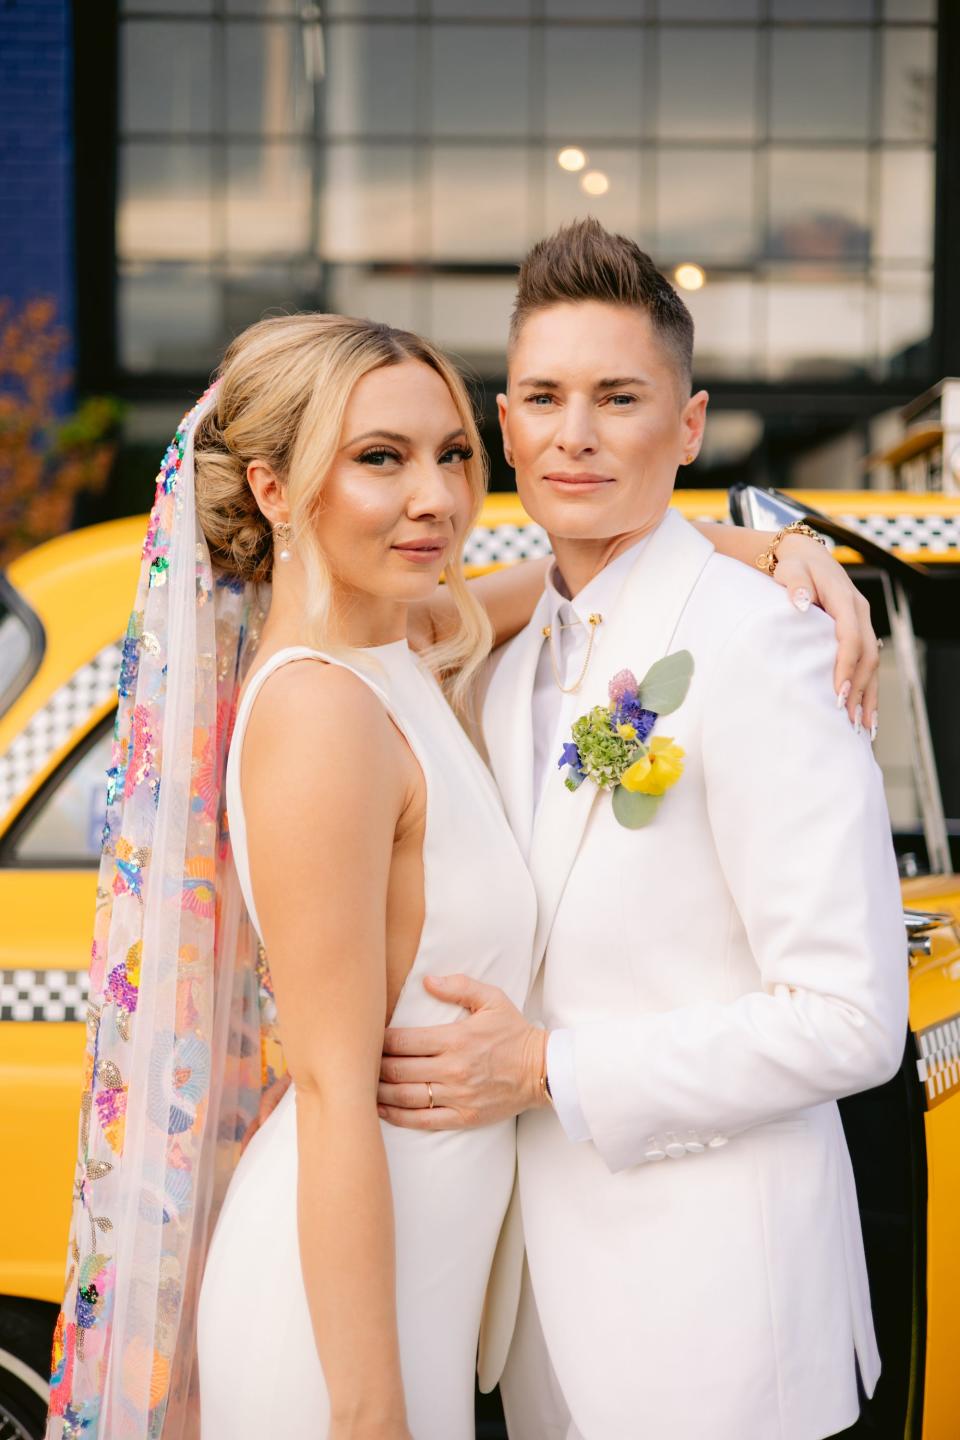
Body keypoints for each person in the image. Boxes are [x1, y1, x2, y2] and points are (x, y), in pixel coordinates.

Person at [46, 308, 880, 1440]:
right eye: (380, 458)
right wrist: (367, 1410)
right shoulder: (318, 715)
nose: (436, 496)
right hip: (346, 1312)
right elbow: (336, 1094)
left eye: (449, 453)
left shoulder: (410, 646)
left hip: (432, 1276)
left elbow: (585, 578)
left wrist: (785, 554)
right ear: (277, 492)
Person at [376, 221, 908, 1440]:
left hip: (722, 1335)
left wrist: (548, 1067)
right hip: (540, 1333)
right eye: (545, 399)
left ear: (689, 424)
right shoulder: (499, 663)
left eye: (620, 397)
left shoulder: (760, 642)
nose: (576, 434)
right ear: (504, 429)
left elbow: (851, 1018)